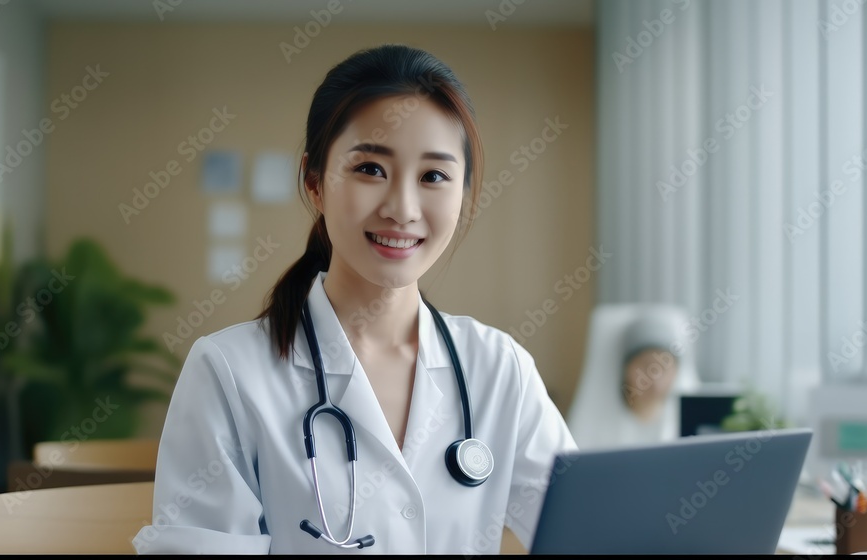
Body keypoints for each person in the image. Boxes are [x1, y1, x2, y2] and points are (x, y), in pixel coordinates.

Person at [132, 44, 576, 555]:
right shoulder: (228, 372)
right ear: (315, 182)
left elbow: (595, 532)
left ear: (463, 194)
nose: (402, 209)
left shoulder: (501, 371)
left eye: (433, 176)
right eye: (370, 168)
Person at [568, 309, 700, 450]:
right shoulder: (592, 425)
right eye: (646, 366)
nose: (656, 379)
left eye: (665, 367)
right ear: (626, 368)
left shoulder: (690, 425)